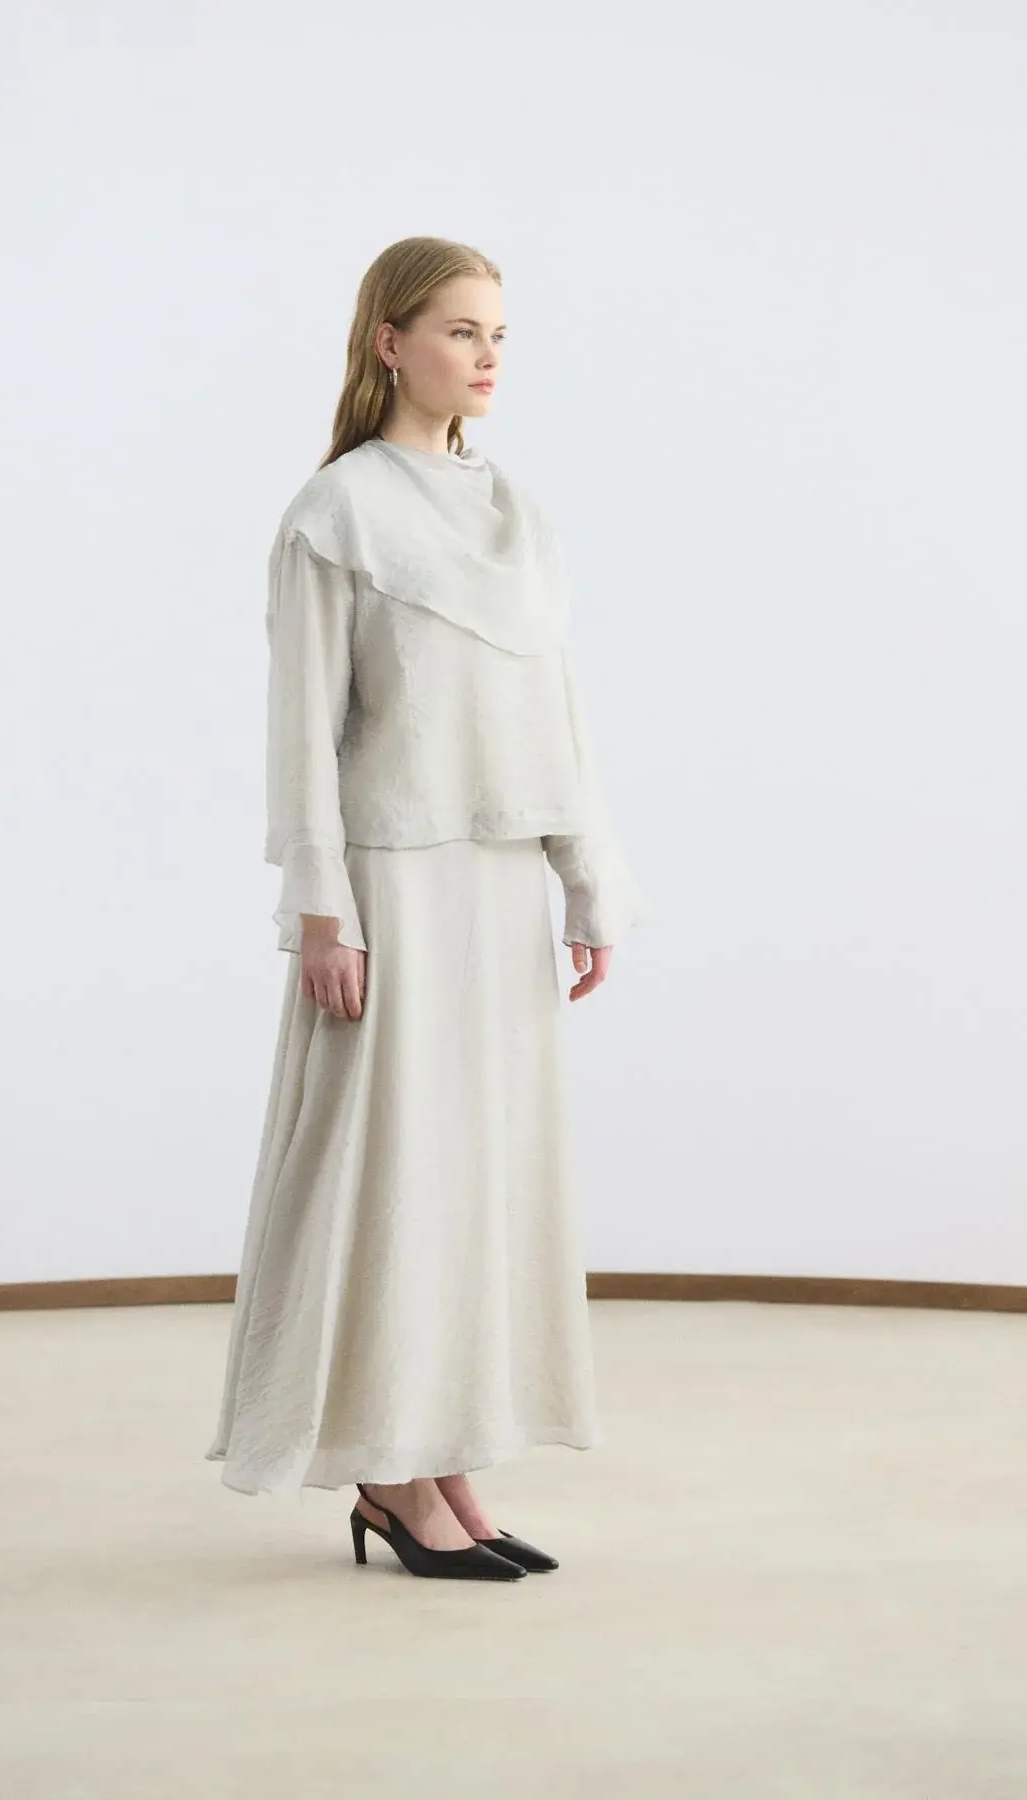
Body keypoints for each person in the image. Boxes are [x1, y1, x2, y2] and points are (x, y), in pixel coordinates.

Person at [203, 236, 654, 1581]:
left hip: (500, 883)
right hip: (394, 883)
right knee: (393, 1174)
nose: (488, 355)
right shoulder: (336, 512)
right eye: (462, 330)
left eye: (500, 332)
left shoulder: (518, 513)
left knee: (479, 1180)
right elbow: (303, 731)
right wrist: (323, 913)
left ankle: (449, 1456)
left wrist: (588, 879)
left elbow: (559, 713)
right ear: (390, 342)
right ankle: (388, 1472)